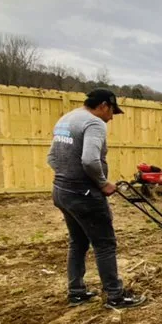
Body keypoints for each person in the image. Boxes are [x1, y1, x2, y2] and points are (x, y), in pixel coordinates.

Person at [47, 88, 147, 310]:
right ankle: (115, 295)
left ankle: (76, 292)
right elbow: (90, 161)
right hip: (84, 195)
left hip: (61, 191)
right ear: (103, 105)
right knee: (105, 244)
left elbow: (52, 158)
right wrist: (102, 183)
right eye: (112, 111)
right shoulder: (94, 123)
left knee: (78, 242)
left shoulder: (66, 119)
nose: (111, 118)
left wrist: (67, 179)